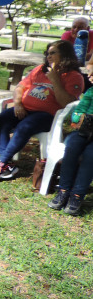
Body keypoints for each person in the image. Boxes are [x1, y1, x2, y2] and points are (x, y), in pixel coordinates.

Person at [0, 40, 84, 181]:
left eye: (53, 53)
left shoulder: (74, 76)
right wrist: (18, 104)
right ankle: (6, 163)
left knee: (24, 127)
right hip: (24, 109)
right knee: (1, 120)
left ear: (65, 55)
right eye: (47, 53)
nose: (48, 56)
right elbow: (20, 87)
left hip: (48, 115)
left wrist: (55, 79)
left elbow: (66, 103)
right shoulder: (39, 70)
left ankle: (1, 162)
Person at [48, 59, 93, 216]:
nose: (90, 77)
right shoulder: (90, 93)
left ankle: (77, 195)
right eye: (89, 72)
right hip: (84, 131)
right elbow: (77, 111)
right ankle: (63, 189)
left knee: (90, 155)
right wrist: (80, 118)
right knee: (72, 147)